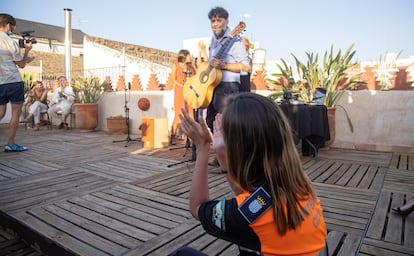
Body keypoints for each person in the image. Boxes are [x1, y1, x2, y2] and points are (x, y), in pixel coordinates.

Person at [173, 93, 327, 255]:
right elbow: (251, 198)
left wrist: (203, 147)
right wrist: (224, 158)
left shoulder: (246, 214)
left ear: (239, 151)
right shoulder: (300, 181)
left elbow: (197, 207)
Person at [0, 13, 33, 152]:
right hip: (13, 82)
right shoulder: (9, 41)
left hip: (0, 83)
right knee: (15, 115)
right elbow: (21, 65)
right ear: (8, 25)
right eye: (12, 27)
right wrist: (27, 51)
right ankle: (11, 143)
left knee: (0, 113)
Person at [171, 49, 196, 137]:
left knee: (190, 114)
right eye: (188, 56)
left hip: (189, 93)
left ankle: (190, 137)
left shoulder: (191, 67)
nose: (190, 57)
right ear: (184, 57)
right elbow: (173, 79)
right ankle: (173, 136)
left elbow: (195, 79)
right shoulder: (176, 65)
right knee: (179, 114)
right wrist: (183, 86)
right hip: (179, 92)